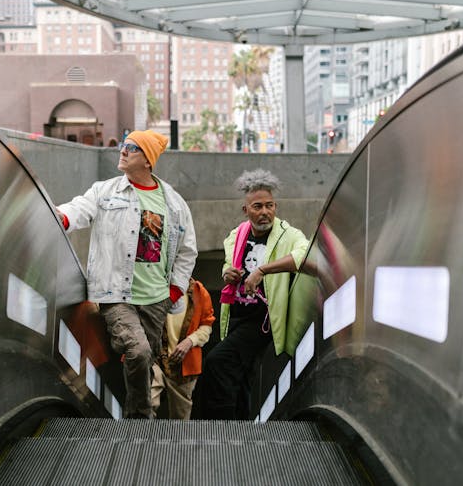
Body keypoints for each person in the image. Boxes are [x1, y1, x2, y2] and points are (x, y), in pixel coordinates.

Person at [55, 130, 197, 419]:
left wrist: (174, 291)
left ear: (148, 161)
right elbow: (79, 208)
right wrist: (62, 216)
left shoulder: (173, 202)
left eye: (131, 148)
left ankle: (132, 411)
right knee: (139, 352)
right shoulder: (105, 191)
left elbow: (187, 250)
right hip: (115, 294)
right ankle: (140, 418)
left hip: (156, 298)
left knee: (145, 359)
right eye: (123, 145)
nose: (123, 151)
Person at [199, 169, 309, 420]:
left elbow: (304, 255)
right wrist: (228, 273)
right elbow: (228, 264)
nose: (264, 212)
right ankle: (241, 426)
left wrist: (262, 270)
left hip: (263, 321)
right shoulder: (236, 236)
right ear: (245, 210)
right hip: (236, 315)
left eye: (269, 206)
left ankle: (220, 425)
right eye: (257, 206)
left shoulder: (288, 234)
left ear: (276, 206)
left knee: (218, 362)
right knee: (240, 376)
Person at [151, 278, 215, 420]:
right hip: (155, 357)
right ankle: (140, 440)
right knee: (147, 401)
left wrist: (190, 341)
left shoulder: (199, 291)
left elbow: (207, 325)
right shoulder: (152, 284)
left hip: (184, 363)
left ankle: (178, 442)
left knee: (180, 416)